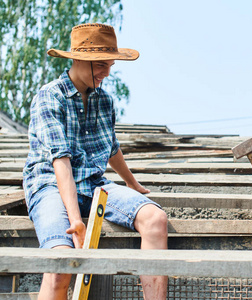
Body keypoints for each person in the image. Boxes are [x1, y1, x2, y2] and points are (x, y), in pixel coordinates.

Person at [23, 23, 168, 299]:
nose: (107, 72)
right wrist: (76, 221)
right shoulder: (49, 96)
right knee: (61, 265)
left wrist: (131, 182)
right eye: (100, 64)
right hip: (51, 184)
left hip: (93, 184)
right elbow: (60, 160)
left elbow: (111, 148)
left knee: (155, 219)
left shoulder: (105, 100)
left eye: (110, 65)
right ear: (77, 59)